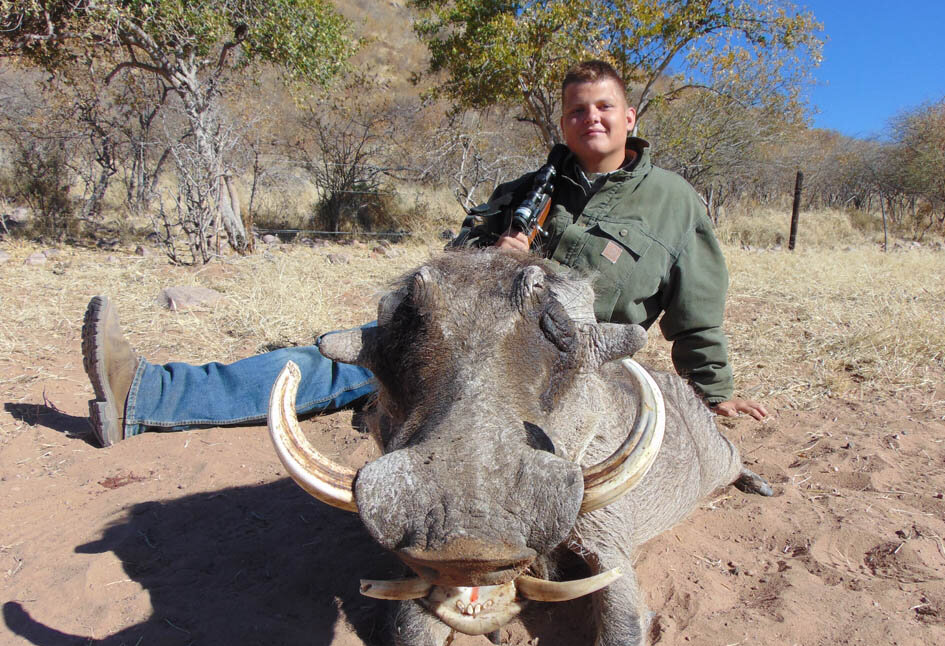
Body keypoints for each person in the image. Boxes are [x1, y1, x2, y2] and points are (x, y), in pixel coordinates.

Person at [81, 60, 766, 447]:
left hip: (567, 360)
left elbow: (697, 316)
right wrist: (494, 253)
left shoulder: (674, 202)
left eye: (604, 107)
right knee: (335, 361)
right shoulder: (524, 191)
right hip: (473, 335)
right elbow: (444, 272)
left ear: (630, 118)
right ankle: (145, 392)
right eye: (576, 110)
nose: (591, 118)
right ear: (560, 122)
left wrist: (713, 396)